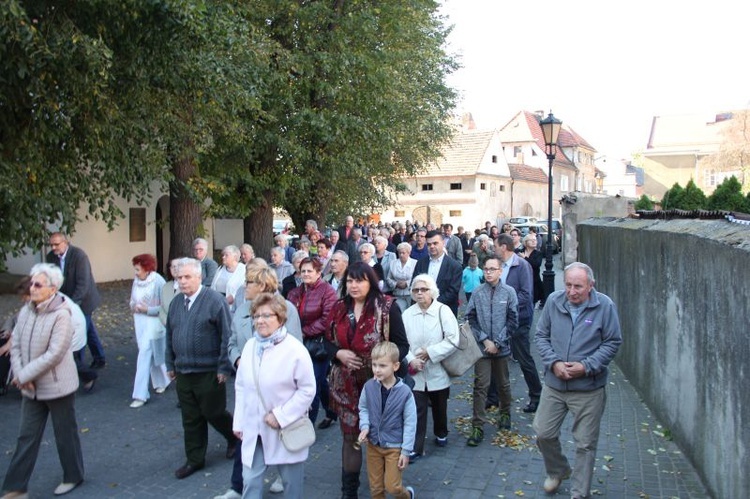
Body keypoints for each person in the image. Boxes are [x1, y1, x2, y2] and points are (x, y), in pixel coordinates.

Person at [533, 263, 622, 498]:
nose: (572, 292)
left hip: (588, 389)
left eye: (578, 287)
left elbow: (613, 342)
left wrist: (587, 366)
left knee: (585, 444)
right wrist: (554, 363)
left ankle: (579, 493)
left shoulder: (605, 306)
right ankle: (558, 470)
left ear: (591, 286)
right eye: (569, 285)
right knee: (543, 433)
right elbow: (541, 335)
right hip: (555, 384)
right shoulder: (554, 301)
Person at [326, 262, 410, 499]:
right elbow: (327, 341)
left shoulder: (387, 307)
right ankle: (348, 492)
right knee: (351, 437)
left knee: (381, 437)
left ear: (370, 282)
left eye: (359, 280)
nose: (353, 285)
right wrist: (337, 353)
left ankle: (386, 484)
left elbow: (402, 345)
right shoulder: (339, 307)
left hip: (379, 386)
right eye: (349, 281)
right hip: (346, 386)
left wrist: (383, 364)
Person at [217, 266, 302, 499]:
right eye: (257, 317)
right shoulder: (242, 311)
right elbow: (232, 342)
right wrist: (238, 360)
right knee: (249, 461)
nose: (245, 286)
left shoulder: (287, 310)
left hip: (279, 403)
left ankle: (280, 477)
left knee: (287, 463)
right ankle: (238, 487)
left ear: (263, 285)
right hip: (252, 403)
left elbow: (297, 362)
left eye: (249, 282)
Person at [2, 264, 85, 497]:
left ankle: (73, 475)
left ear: (53, 288)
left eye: (38, 285)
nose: (32, 288)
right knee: (26, 436)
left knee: (64, 434)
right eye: (31, 283)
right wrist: (20, 375)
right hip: (30, 387)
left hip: (57, 386)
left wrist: (24, 375)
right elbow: (15, 343)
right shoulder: (27, 309)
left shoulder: (62, 314)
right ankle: (16, 487)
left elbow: (55, 353)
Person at [232, 293, 316, 498]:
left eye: (267, 315)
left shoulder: (295, 350)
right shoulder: (251, 345)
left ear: (280, 318)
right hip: (254, 427)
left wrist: (280, 416)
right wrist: (239, 421)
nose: (260, 320)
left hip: (286, 429)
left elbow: (307, 390)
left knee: (291, 484)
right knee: (250, 480)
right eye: (256, 316)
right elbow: (241, 385)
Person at [165, 258, 238, 479]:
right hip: (184, 371)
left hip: (209, 371)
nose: (183, 282)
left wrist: (224, 368)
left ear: (199, 277)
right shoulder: (176, 303)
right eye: (179, 278)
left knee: (213, 412)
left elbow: (227, 336)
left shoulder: (215, 301)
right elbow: (170, 335)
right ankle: (195, 459)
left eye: (187, 277)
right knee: (191, 417)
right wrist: (170, 363)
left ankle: (235, 436)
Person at [402, 275, 459, 462]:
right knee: (416, 409)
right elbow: (401, 342)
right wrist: (411, 360)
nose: (419, 293)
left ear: (432, 291)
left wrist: (431, 353)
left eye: (423, 289)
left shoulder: (443, 311)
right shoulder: (407, 314)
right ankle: (415, 447)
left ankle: (441, 431)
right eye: (416, 290)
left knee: (439, 405)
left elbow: (453, 339)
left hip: (438, 369)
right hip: (416, 373)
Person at [464, 256, 518, 446]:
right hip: (483, 349)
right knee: (481, 386)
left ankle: (505, 413)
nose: (488, 272)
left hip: (501, 349)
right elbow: (470, 318)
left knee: (503, 384)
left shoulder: (509, 292)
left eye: (492, 269)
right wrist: (485, 340)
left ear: (500, 271)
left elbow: (513, 321)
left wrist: (498, 342)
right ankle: (477, 424)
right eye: (485, 269)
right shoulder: (478, 293)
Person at [357, 342, 416, 499]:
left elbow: (410, 423)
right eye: (374, 365)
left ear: (395, 366)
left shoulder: (405, 393)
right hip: (373, 445)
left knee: (393, 487)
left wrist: (406, 451)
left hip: (394, 446)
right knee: (376, 489)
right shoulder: (369, 386)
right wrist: (364, 426)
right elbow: (363, 408)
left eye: (382, 365)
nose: (377, 369)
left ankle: (407, 495)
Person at [493, 234, 542, 413]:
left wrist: (504, 305)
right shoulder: (498, 266)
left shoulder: (522, 265)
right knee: (493, 356)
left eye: (495, 246)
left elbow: (526, 295)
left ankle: (536, 395)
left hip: (519, 320)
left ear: (504, 247)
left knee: (523, 358)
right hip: (499, 321)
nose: (493, 249)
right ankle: (492, 397)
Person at [287, 257, 339, 429]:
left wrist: (304, 331)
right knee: (320, 382)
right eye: (303, 271)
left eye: (310, 271)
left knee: (312, 385)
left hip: (318, 345)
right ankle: (332, 411)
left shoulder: (327, 291)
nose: (306, 274)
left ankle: (305, 428)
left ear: (318, 273)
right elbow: (287, 315)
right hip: (296, 344)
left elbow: (327, 319)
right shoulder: (294, 292)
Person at [46, 231, 106, 370]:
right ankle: (99, 357)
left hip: (84, 300)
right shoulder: (50, 257)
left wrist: (71, 306)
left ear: (65, 243)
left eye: (56, 244)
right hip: (65, 299)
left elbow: (83, 284)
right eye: (51, 245)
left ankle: (79, 368)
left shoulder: (79, 256)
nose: (54, 248)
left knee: (78, 332)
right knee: (88, 328)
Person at [129, 254, 170, 408]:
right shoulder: (136, 281)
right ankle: (164, 380)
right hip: (140, 322)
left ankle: (140, 394)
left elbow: (165, 306)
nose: (136, 272)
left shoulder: (158, 281)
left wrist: (148, 310)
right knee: (151, 353)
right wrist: (134, 306)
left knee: (144, 355)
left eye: (138, 269)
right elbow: (132, 300)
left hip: (154, 324)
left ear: (147, 269)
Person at [411, 230, 462, 316]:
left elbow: (452, 291)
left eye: (435, 243)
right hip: (422, 310)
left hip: (445, 311)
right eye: (429, 244)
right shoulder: (420, 263)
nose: (432, 246)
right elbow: (414, 285)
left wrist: (432, 303)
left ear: (443, 243)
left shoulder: (454, 266)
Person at [386, 243, 417, 312]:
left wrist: (407, 283)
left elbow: (417, 278)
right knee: (399, 311)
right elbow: (388, 278)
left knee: (410, 312)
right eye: (399, 253)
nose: (401, 255)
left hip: (410, 294)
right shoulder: (393, 263)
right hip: (397, 293)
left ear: (409, 253)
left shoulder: (415, 263)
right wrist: (396, 284)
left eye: (403, 253)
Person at [520, 234, 544, 307]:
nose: (534, 241)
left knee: (531, 304)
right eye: (532, 240)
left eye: (535, 240)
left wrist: (525, 258)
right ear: (526, 242)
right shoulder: (520, 252)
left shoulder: (538, 253)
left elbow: (536, 264)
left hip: (534, 282)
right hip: (521, 281)